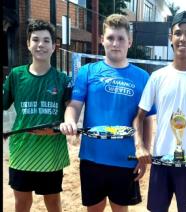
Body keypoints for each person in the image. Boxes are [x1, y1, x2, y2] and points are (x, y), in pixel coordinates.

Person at [59, 14, 155, 212]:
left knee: (120, 209)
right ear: (102, 40)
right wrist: (69, 120)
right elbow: (75, 104)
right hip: (92, 158)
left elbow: (146, 119)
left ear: (130, 42)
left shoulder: (143, 77)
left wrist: (144, 153)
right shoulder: (88, 71)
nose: (115, 43)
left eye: (120, 38)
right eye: (110, 38)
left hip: (126, 159)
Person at [133, 11, 186, 212]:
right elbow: (139, 118)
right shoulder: (157, 77)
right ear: (170, 37)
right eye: (178, 33)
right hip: (161, 161)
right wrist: (140, 145)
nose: (183, 38)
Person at [3, 19, 71, 212]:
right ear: (28, 44)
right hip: (22, 152)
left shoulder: (62, 79)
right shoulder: (16, 76)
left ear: (54, 46)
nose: (40, 44)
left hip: (51, 154)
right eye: (35, 39)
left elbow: (70, 113)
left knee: (53, 203)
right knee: (22, 203)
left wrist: (58, 129)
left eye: (46, 40)